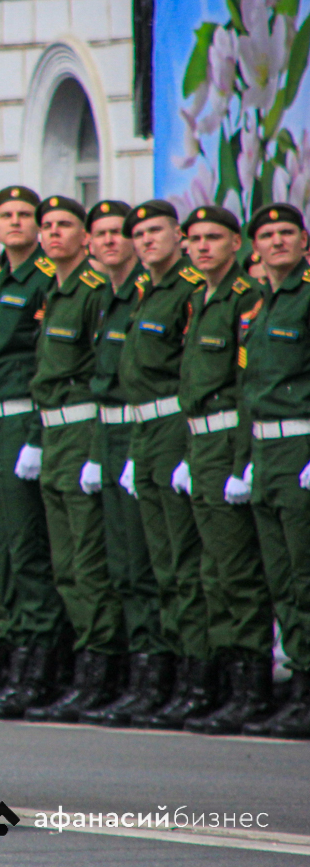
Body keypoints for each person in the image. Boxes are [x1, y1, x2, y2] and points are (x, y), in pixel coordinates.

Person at [0, 186, 68, 720]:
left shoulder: (45, 281)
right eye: (7, 215)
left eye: (28, 215)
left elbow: (42, 363)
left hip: (24, 422)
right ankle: (8, 663)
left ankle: (38, 668)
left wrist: (35, 436)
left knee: (27, 551)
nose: (17, 223)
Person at [22, 196, 125, 722]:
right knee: (64, 564)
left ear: (84, 237)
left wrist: (91, 451)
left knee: (88, 561)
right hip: (53, 432)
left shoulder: (91, 291)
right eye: (47, 226)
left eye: (65, 225)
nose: (53, 232)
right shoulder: (54, 290)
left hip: (82, 430)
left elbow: (98, 371)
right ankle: (81, 670)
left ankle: (100, 670)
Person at [175, 205, 275, 736]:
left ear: (236, 244)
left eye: (214, 237)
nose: (202, 247)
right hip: (198, 441)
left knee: (237, 571)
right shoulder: (199, 300)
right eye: (194, 239)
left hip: (229, 439)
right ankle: (223, 683)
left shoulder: (246, 300)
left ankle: (253, 686)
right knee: (211, 571)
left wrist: (241, 462)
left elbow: (244, 390)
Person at [117, 201, 217, 731]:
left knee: (186, 562)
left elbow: (190, 377)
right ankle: (174, 675)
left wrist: (182, 447)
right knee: (159, 564)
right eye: (141, 232)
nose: (145, 239)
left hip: (177, 429)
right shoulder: (146, 292)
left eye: (156, 230)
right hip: (144, 432)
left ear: (178, 236)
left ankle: (200, 678)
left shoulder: (186, 292)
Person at [78, 200, 174, 727]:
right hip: (117, 432)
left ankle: (170, 675)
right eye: (108, 233)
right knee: (124, 567)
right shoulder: (124, 297)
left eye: (129, 231)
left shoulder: (163, 294)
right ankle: (140, 678)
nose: (119, 241)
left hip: (159, 433)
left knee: (160, 564)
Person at [232, 204, 310, 738]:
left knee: (306, 576)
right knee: (282, 579)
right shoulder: (261, 304)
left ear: (304, 239)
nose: (277, 241)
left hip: (301, 446)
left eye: (287, 232)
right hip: (265, 451)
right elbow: (248, 392)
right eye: (267, 234)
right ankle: (298, 688)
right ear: (254, 246)